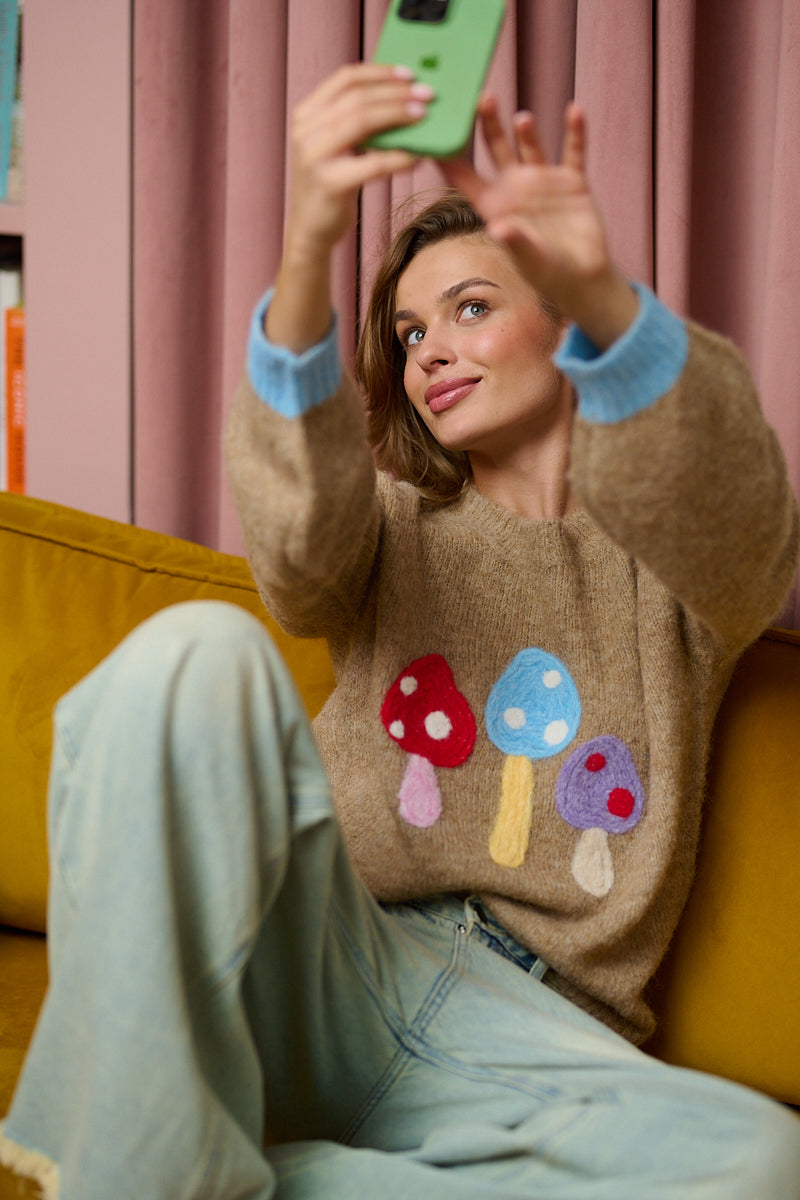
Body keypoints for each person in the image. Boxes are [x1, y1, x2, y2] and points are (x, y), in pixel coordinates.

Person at [2, 63, 800, 1200]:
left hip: (527, 1041)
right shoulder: (384, 525)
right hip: (326, 962)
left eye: (471, 308)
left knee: (764, 1162)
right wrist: (306, 243)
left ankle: (230, 1174)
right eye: (411, 328)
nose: (428, 349)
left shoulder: (669, 568)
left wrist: (605, 294)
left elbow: (740, 515)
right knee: (193, 656)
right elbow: (294, 553)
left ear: (562, 324)